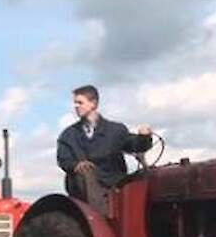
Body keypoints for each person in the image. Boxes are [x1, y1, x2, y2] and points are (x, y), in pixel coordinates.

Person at [56, 85, 153, 213]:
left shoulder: (116, 130)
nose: (76, 106)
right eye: (75, 103)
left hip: (113, 182)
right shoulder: (68, 135)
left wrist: (144, 137)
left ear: (93, 104)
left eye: (80, 102)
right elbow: (64, 159)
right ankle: (101, 218)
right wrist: (76, 165)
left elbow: (135, 145)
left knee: (148, 175)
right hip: (82, 187)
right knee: (85, 171)